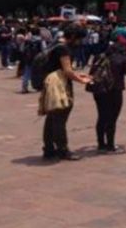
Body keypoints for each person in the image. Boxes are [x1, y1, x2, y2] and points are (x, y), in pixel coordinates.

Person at [39, 26, 92, 160]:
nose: (80, 43)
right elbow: (67, 71)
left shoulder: (56, 44)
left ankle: (49, 149)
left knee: (52, 117)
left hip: (50, 82)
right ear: (73, 37)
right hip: (59, 85)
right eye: (80, 39)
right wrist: (82, 80)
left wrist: (78, 74)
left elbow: (62, 68)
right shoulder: (64, 48)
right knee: (60, 116)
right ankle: (63, 149)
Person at [91, 40, 126, 154]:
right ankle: (110, 145)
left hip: (99, 90)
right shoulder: (122, 59)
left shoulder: (99, 57)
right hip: (114, 90)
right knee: (112, 118)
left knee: (101, 116)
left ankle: (101, 144)